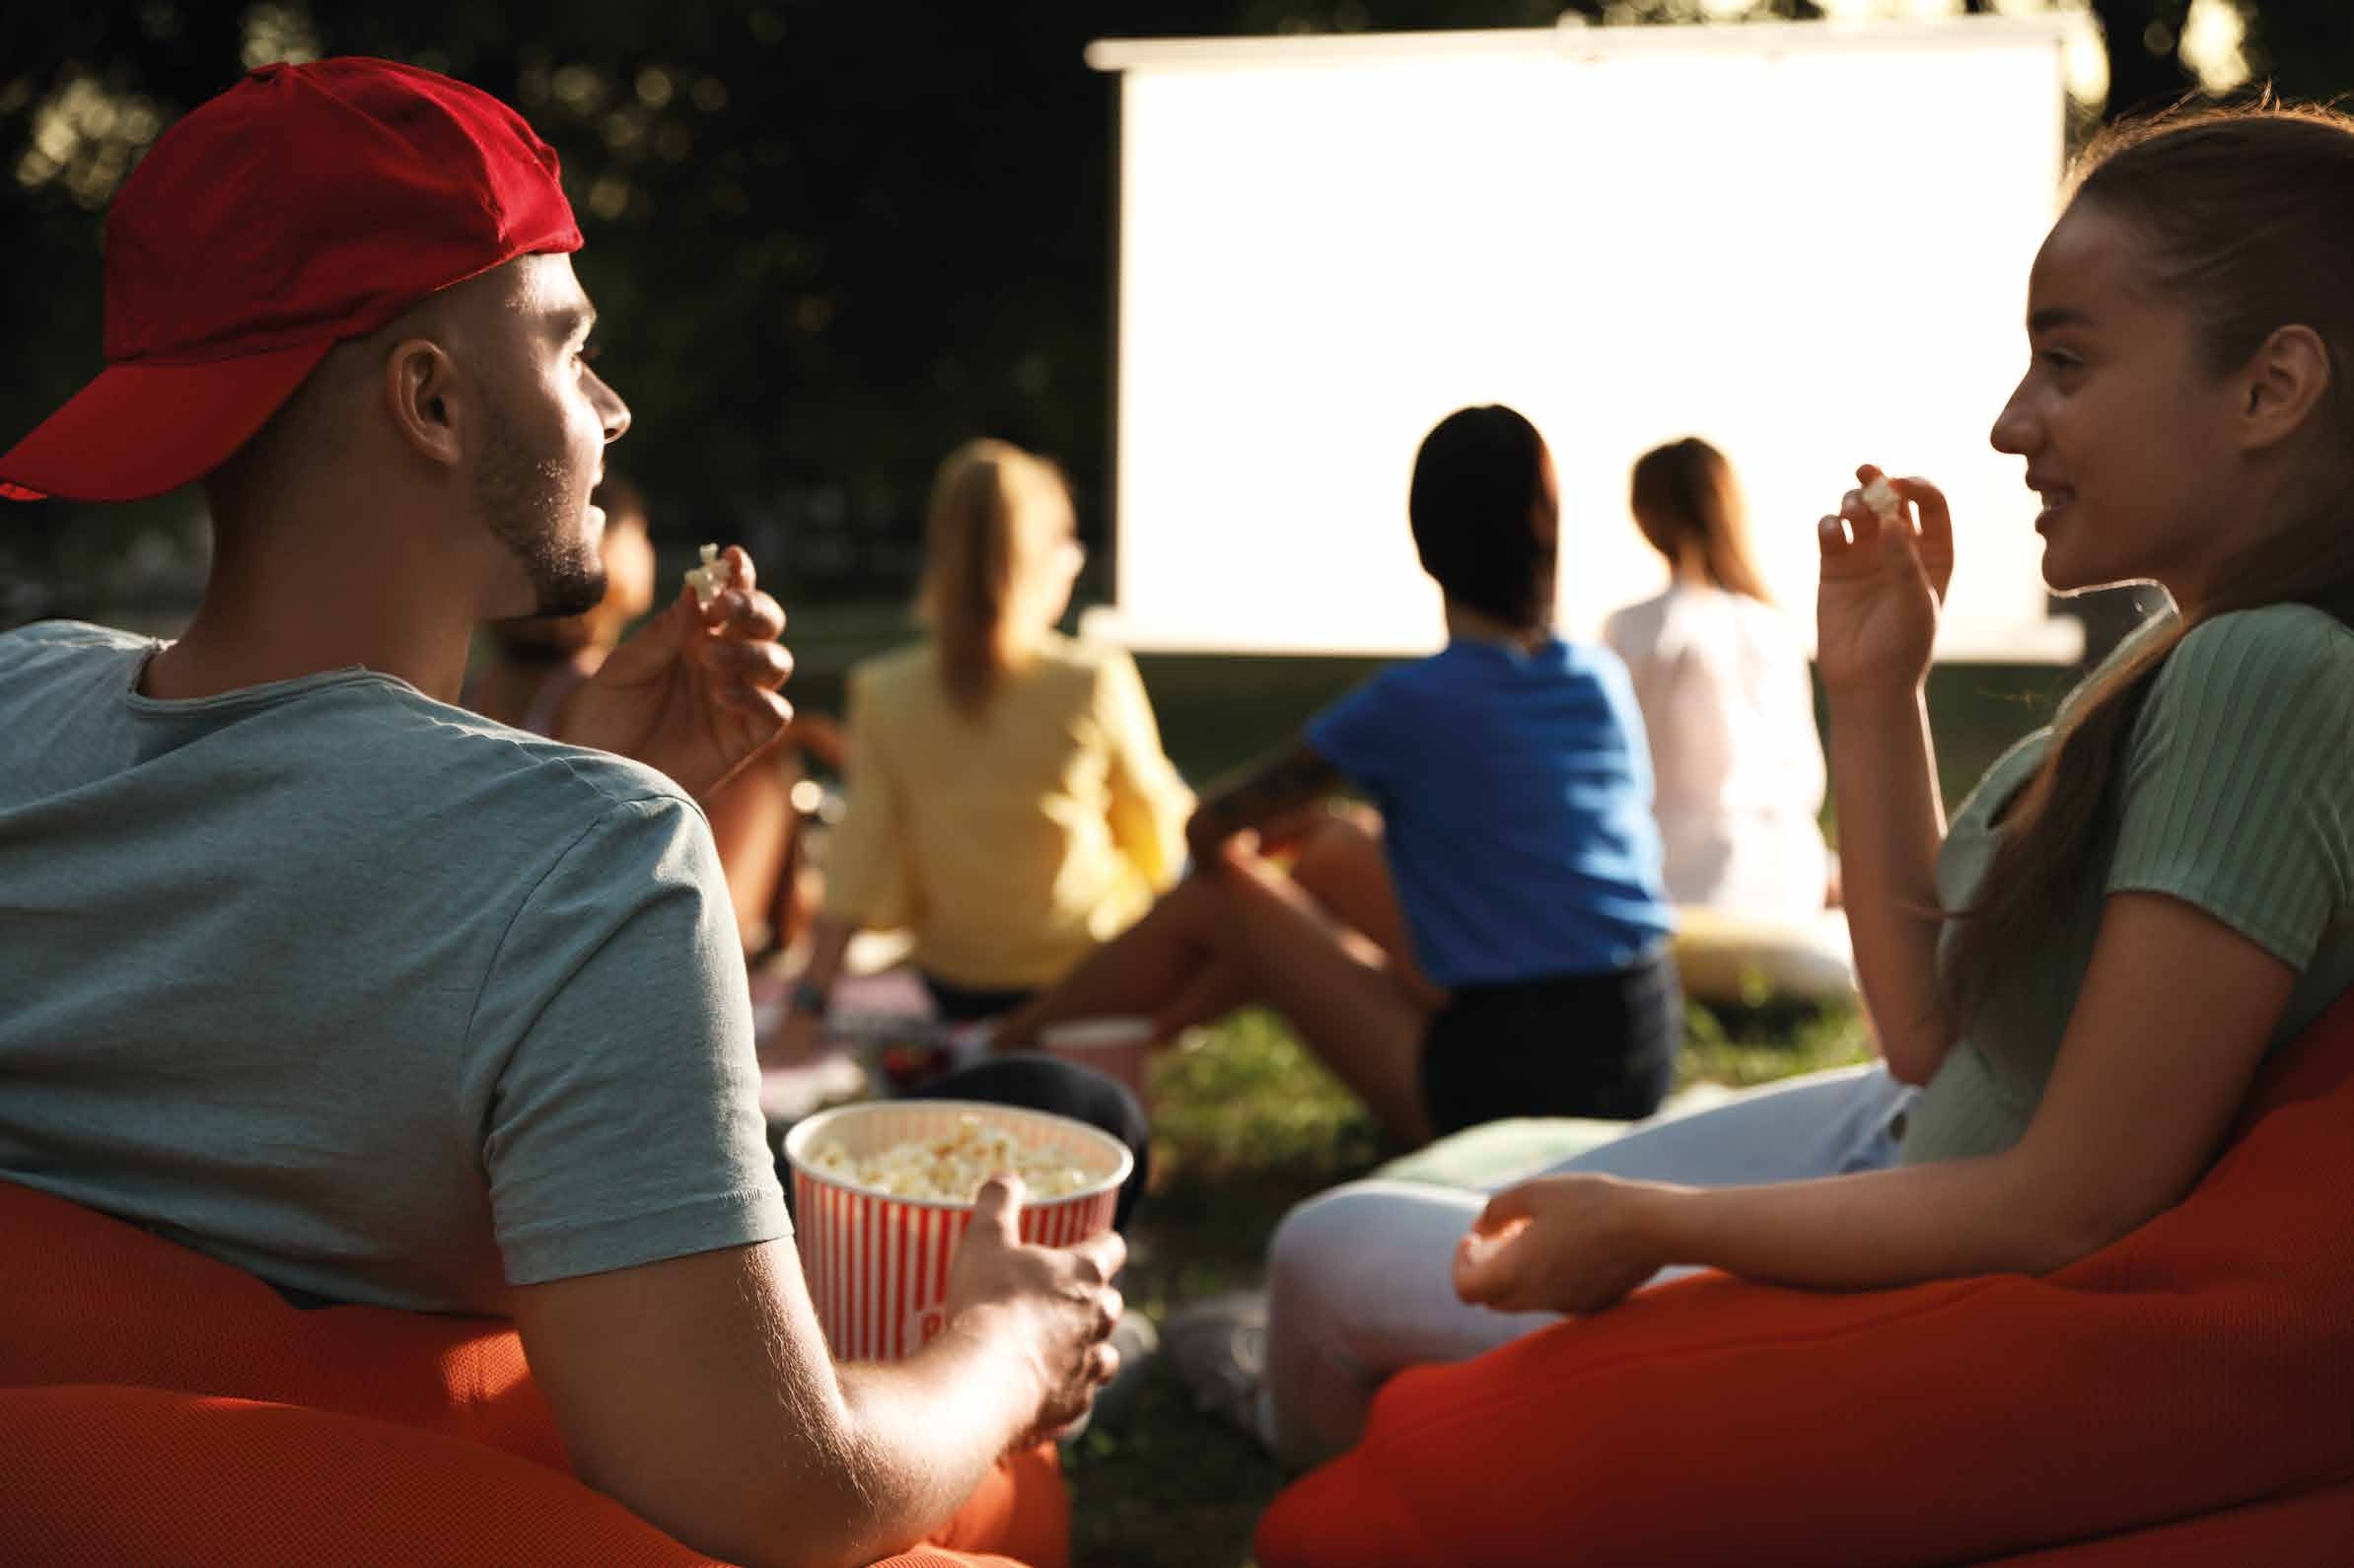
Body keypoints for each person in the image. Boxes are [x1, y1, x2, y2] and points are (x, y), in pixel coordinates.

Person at [0, 59, 1123, 1568]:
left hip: (118, 1474)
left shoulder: (21, 702)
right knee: (1006, 1492)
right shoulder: (588, 861)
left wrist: (561, 773)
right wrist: (1006, 1343)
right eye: (569, 345)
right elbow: (772, 1495)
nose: (611, 405)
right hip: (432, 1482)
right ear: (435, 399)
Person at [1203, 102, 2354, 1471]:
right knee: (1442, 1181)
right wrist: (1870, 687)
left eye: (2062, 361)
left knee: (1322, 1247)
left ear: (2270, 388)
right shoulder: (2193, 650)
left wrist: (1656, 1225)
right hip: (1892, 1120)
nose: (2006, 424)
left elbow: (2068, 1203)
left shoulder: (2266, 676)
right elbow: (1930, 1030)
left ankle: (1267, 1389)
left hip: (1916, 1220)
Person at [993, 405, 1680, 1148]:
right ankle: (1139, 1036)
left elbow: (1209, 829)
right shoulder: (1596, 678)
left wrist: (1270, 839)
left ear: (1425, 546)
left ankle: (999, 1053)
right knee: (1330, 847)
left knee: (1229, 893)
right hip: (1639, 1044)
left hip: (1500, 1088)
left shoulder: (1405, 707)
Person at [775, 438, 1194, 1048]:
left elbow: (856, 860)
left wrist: (808, 1005)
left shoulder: (883, 689)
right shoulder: (1093, 679)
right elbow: (1157, 837)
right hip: (1082, 973)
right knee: (1170, 788)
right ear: (1045, 559)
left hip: (955, 982)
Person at [465, 470, 846, 958]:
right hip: (641, 949)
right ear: (613, 554)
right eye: (642, 535)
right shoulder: (602, 691)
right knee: (766, 778)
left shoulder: (470, 689)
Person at [1603, 437, 1834, 915]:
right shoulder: (1773, 626)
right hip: (1787, 881)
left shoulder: (1634, 629)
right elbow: (1806, 778)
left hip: (1678, 890)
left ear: (1646, 516)